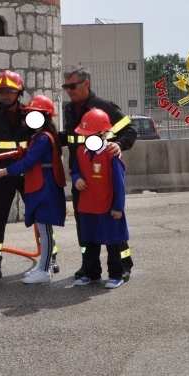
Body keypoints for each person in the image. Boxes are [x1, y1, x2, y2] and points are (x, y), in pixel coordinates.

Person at [0, 70, 59, 279]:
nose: (6, 96)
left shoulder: (29, 114)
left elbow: (45, 135)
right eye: (1, 92)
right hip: (2, 174)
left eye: (10, 92)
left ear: (19, 93)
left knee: (41, 215)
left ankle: (51, 257)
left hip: (29, 173)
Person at [60, 65, 137, 281]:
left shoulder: (104, 107)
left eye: (72, 85)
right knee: (84, 224)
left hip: (103, 178)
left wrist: (119, 145)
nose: (69, 90)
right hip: (81, 178)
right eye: (65, 86)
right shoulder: (69, 109)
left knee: (112, 222)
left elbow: (130, 131)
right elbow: (70, 138)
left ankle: (123, 265)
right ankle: (89, 266)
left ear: (86, 83)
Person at [0, 95, 66, 284]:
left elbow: (29, 163)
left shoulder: (42, 139)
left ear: (44, 117)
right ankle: (43, 267)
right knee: (42, 227)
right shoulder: (39, 137)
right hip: (41, 186)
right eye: (28, 115)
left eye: (34, 114)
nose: (28, 118)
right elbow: (29, 156)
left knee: (44, 229)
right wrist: (18, 153)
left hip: (44, 188)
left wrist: (2, 172)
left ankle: (45, 270)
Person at [70, 108, 129, 289]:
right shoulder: (81, 152)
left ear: (103, 133)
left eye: (91, 134)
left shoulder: (111, 154)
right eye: (85, 134)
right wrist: (77, 179)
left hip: (108, 207)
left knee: (112, 243)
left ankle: (116, 275)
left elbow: (119, 183)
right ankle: (91, 273)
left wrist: (118, 207)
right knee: (90, 243)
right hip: (87, 206)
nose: (87, 138)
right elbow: (75, 170)